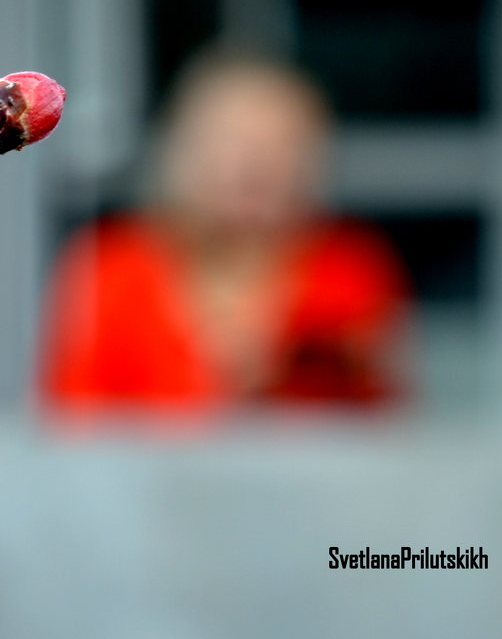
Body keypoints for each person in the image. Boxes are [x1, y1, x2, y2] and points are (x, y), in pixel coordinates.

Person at [37, 48, 409, 423]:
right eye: (230, 140)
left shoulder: (349, 269)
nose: (255, 164)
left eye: (281, 144)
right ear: (181, 149)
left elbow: (380, 424)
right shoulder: (111, 265)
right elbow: (74, 426)